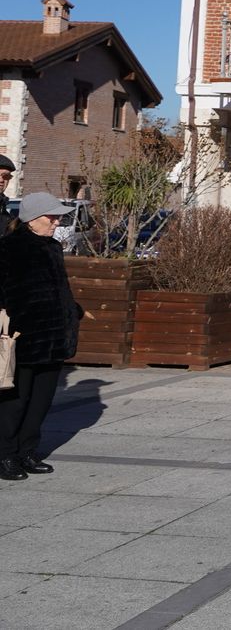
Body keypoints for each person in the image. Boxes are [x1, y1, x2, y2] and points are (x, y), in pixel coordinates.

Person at [0, 193, 83, 479]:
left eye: (59, 216)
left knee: (41, 401)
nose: (57, 221)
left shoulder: (53, 247)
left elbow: (58, 288)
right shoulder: (10, 247)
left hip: (53, 338)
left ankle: (28, 452)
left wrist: (72, 311)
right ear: (32, 219)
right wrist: (18, 324)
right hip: (24, 338)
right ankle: (5, 456)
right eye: (52, 217)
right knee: (15, 402)